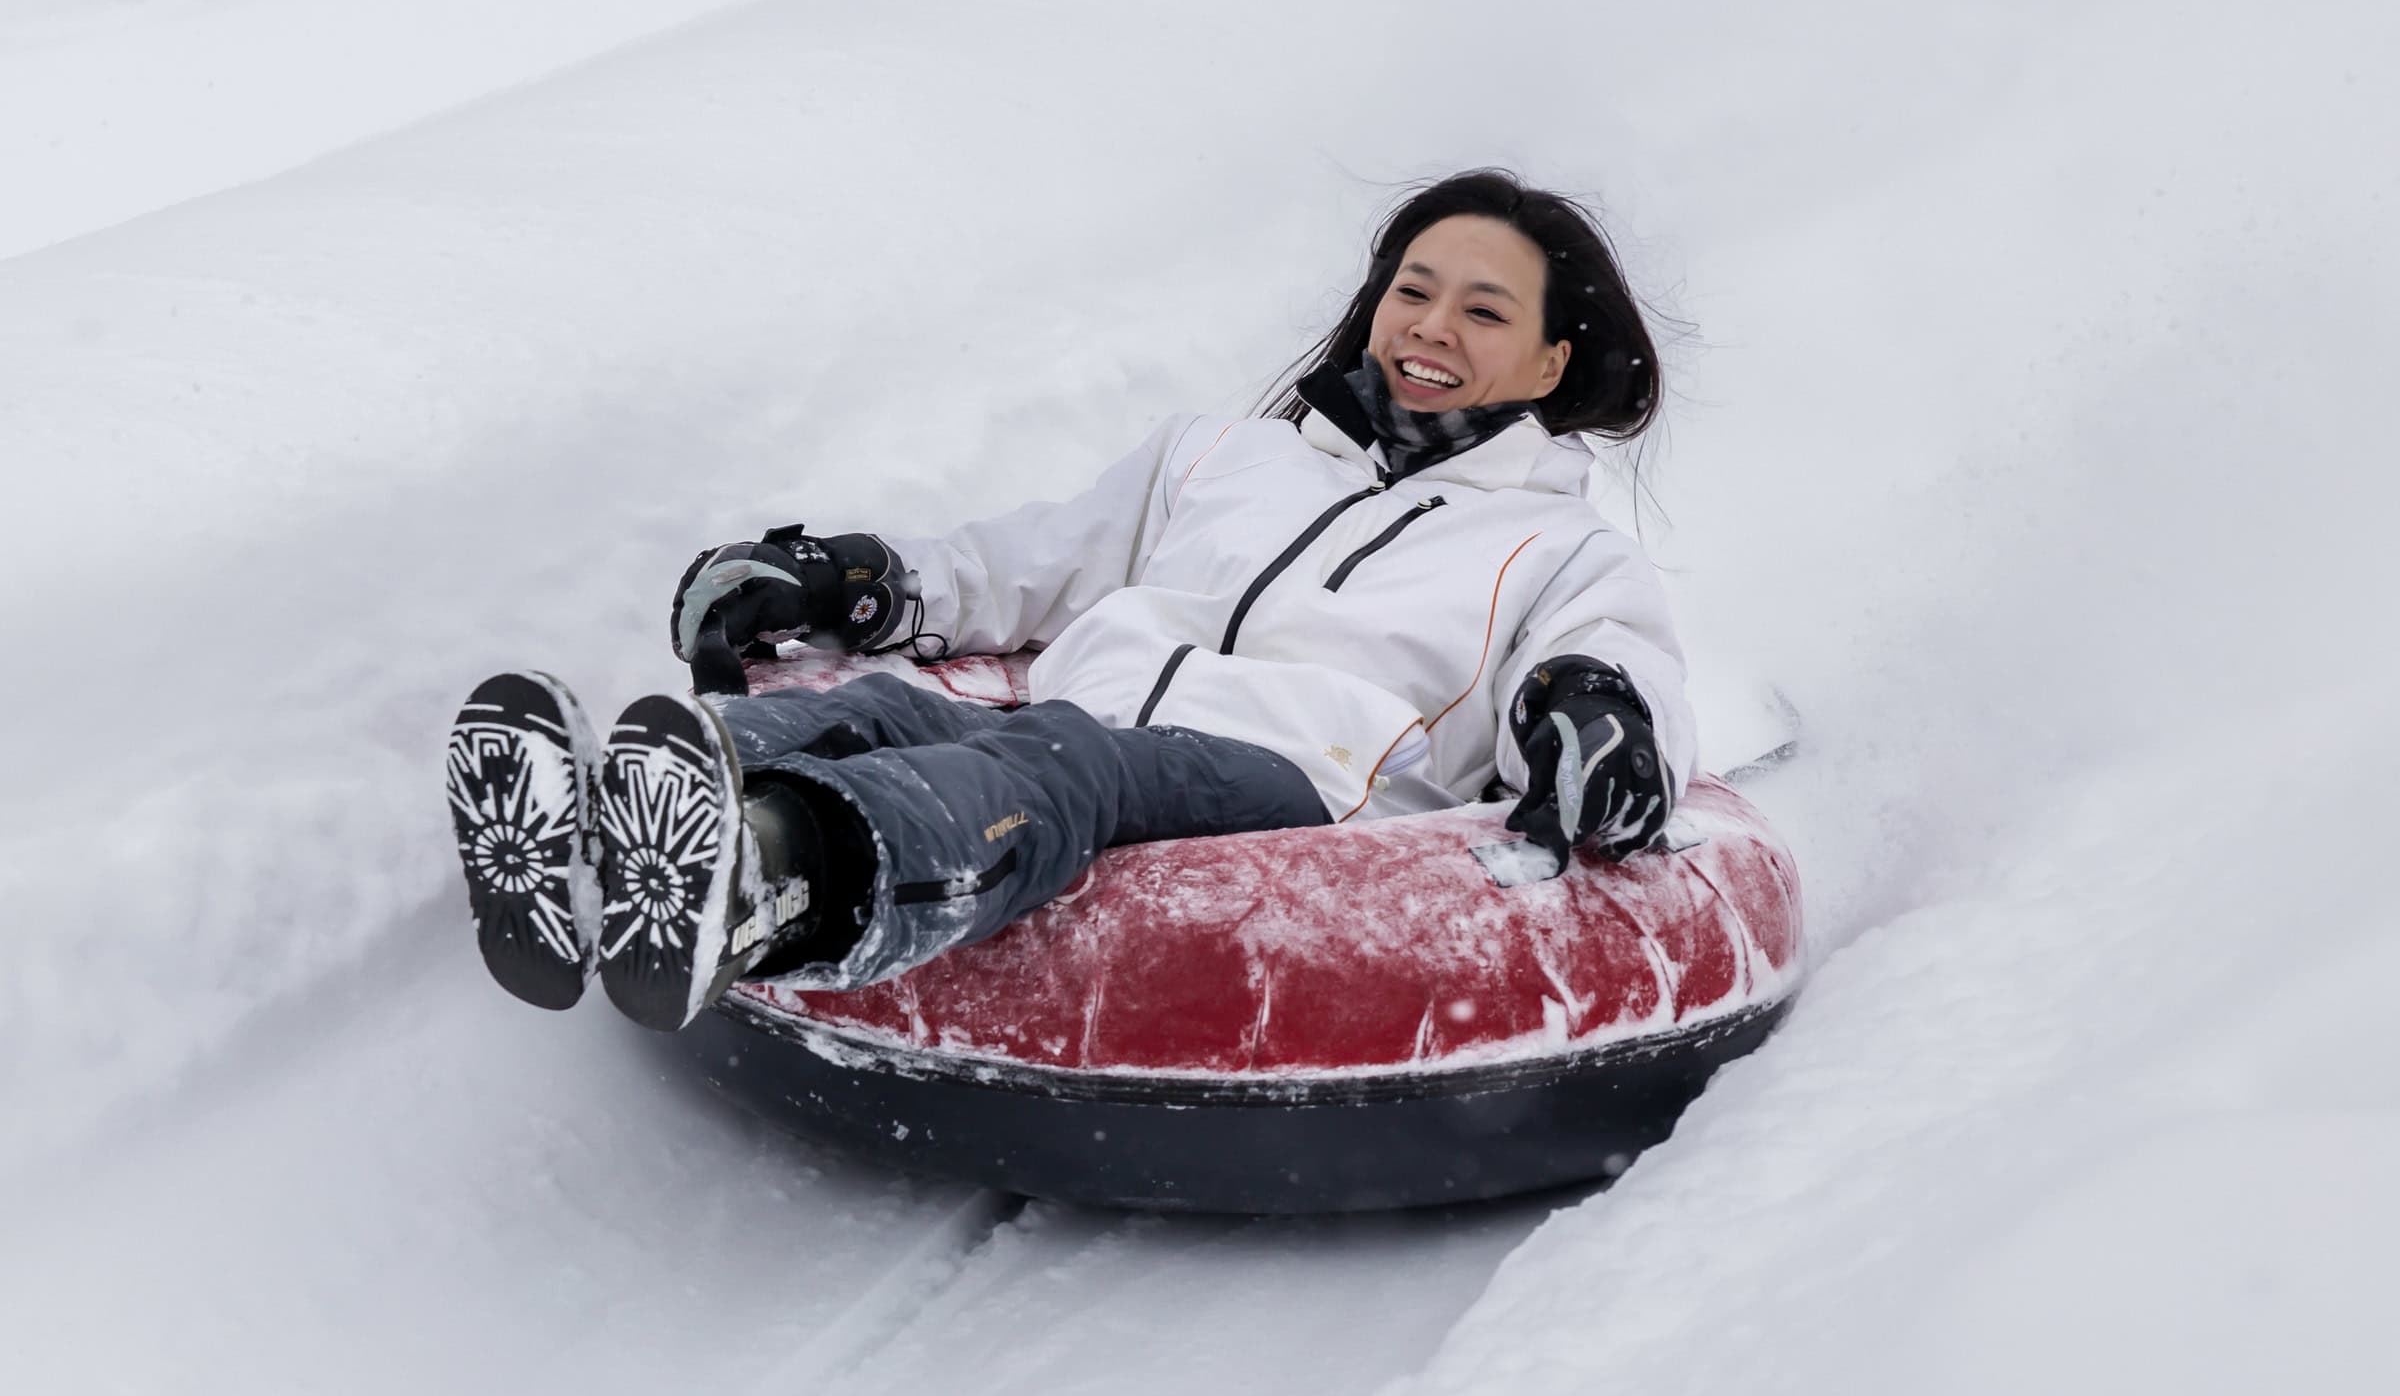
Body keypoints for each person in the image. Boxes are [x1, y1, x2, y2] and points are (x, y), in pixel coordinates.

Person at [444, 170, 1694, 1034]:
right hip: (1085, 719)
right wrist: (860, 582)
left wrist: (1599, 714)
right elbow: (1031, 560)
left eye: (1484, 310)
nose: (1430, 326)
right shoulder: (1222, 454)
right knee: (886, 712)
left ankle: (776, 876)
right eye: (1412, 290)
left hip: (1297, 785)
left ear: (1549, 363)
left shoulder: (1558, 546)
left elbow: (1615, 662)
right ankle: (625, 817)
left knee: (1065, 756)